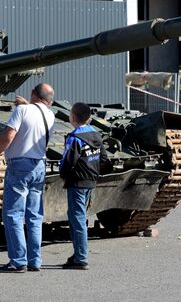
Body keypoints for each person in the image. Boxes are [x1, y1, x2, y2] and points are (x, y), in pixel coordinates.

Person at [0, 83, 55, 273]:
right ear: (49, 100)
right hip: (39, 165)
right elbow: (36, 115)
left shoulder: (22, 111)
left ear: (33, 93)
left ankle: (18, 261)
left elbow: (9, 135)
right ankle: (35, 260)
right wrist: (27, 105)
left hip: (19, 166)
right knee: (34, 216)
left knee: (13, 214)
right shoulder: (49, 115)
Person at [59, 102, 107, 270]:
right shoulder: (96, 135)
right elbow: (104, 160)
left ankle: (81, 257)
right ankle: (78, 253)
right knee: (78, 217)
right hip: (90, 181)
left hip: (77, 182)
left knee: (77, 218)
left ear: (72, 117)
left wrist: (63, 175)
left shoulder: (75, 138)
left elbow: (68, 161)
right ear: (89, 118)